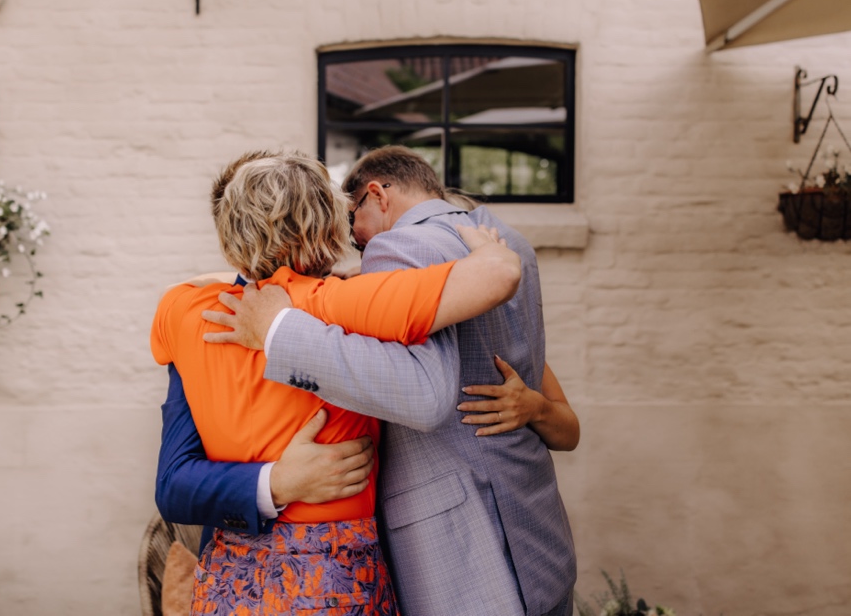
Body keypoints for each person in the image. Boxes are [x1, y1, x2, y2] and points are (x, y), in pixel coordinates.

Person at [157, 146, 578, 616]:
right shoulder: (356, 298)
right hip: (351, 571)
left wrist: (270, 311)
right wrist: (276, 483)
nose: (359, 243)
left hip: (234, 586)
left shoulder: (183, 310)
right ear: (321, 225)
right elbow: (174, 483)